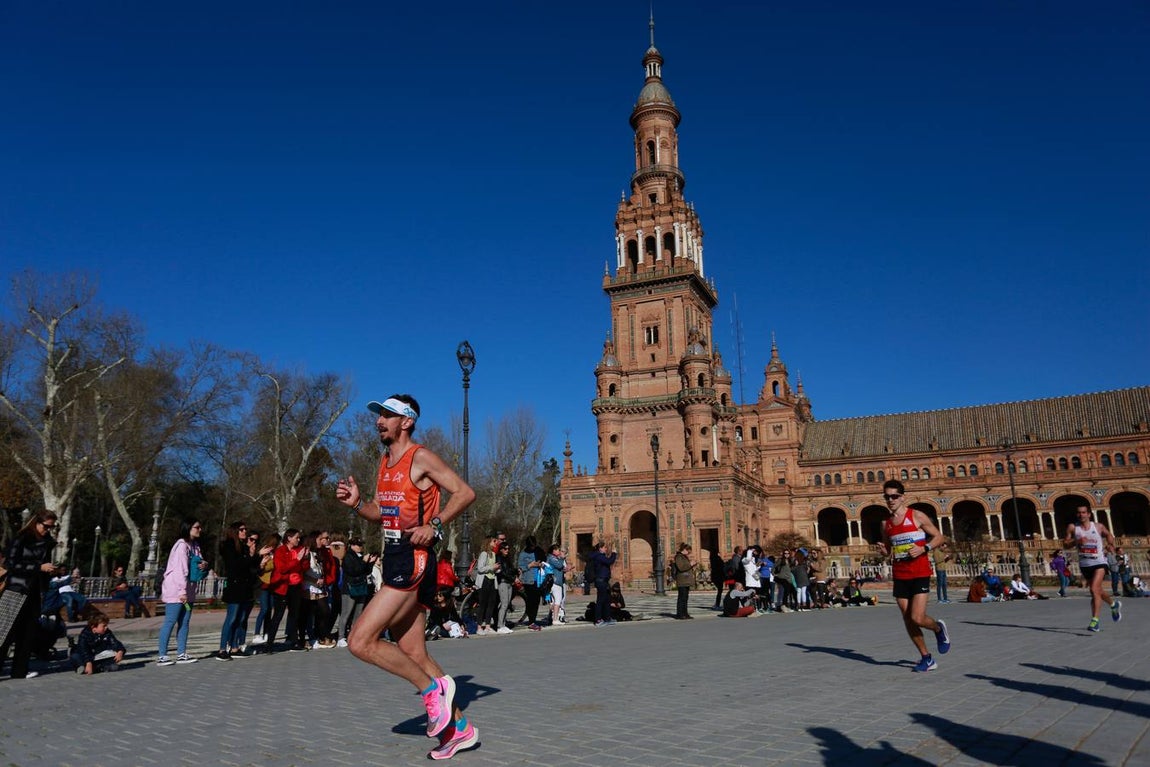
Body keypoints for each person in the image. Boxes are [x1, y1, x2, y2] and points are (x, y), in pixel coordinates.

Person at [335, 394, 479, 760]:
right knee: (413, 650)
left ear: (407, 421)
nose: (379, 421)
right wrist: (356, 503)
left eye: (388, 415)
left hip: (413, 559)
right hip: (393, 552)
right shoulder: (385, 462)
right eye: (378, 415)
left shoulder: (421, 457)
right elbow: (381, 516)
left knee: (360, 641)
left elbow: (465, 493)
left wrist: (435, 525)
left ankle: (431, 691)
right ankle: (459, 729)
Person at [875, 480, 950, 672]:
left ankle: (938, 629)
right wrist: (883, 551)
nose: (890, 500)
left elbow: (939, 537)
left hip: (920, 572)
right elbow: (889, 550)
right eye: (886, 497)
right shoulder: (886, 524)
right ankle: (927, 658)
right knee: (907, 619)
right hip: (900, 574)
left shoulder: (916, 516)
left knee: (917, 618)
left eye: (894, 496)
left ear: (902, 497)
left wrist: (923, 548)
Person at [0, 510, 58, 680]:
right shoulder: (22, 538)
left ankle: (19, 671)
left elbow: (43, 566)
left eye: (51, 527)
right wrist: (38, 567)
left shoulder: (47, 543)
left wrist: (52, 571)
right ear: (37, 522)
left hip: (34, 591)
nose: (48, 530)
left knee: (27, 633)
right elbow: (11, 563)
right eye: (46, 526)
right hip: (16, 589)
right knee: (5, 631)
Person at [156, 517, 206, 666]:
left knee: (185, 621)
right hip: (176, 592)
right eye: (197, 527)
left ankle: (181, 653)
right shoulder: (181, 546)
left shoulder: (195, 546)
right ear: (188, 528)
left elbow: (197, 562)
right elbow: (180, 570)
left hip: (189, 591)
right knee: (170, 621)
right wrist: (181, 591)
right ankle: (162, 655)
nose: (199, 530)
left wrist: (204, 565)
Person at [1064, 504, 1121, 632]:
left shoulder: (1098, 526)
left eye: (1084, 512)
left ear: (1089, 514)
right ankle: (1113, 604)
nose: (1081, 515)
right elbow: (1065, 544)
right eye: (1079, 513)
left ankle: (1095, 621)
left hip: (1099, 561)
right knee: (1097, 591)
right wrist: (1076, 541)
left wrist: (1111, 544)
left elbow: (1108, 534)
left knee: (1094, 589)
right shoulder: (1073, 528)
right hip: (1085, 564)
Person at [216, 521, 258, 661]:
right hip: (234, 586)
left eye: (246, 529)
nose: (245, 532)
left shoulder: (243, 546)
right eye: (241, 529)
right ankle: (222, 648)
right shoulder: (229, 546)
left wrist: (253, 554)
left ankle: (234, 647)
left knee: (240, 618)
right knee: (232, 618)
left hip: (244, 586)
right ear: (235, 531)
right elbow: (236, 565)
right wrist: (248, 555)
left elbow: (250, 566)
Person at [338, 537, 376, 647]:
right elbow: (353, 571)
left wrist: (370, 563)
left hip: (361, 587)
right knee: (346, 613)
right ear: (352, 545)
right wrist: (364, 562)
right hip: (350, 588)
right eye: (358, 545)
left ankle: (354, 635)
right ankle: (341, 636)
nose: (360, 547)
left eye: (361, 545)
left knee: (358, 614)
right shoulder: (348, 557)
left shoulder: (360, 556)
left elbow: (366, 571)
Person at [473, 532, 503, 636]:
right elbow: (480, 569)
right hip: (484, 581)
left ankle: (488, 626)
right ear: (488, 542)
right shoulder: (484, 554)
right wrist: (492, 567)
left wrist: (497, 569)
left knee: (491, 603)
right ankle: (479, 626)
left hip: (492, 580)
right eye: (494, 541)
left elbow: (493, 568)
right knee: (483, 604)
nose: (496, 543)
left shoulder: (493, 554)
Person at [516, 535, 546, 630]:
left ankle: (533, 619)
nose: (533, 548)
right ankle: (531, 621)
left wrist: (541, 564)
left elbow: (545, 560)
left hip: (538, 579)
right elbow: (520, 568)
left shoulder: (538, 550)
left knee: (536, 601)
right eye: (531, 546)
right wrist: (530, 565)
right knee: (530, 601)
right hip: (528, 580)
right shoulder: (523, 554)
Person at [588, 540, 618, 626]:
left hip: (604, 581)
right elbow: (609, 561)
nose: (606, 549)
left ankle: (607, 618)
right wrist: (614, 553)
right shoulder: (598, 556)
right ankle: (598, 620)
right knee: (600, 601)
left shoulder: (601, 556)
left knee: (607, 600)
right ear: (600, 548)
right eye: (605, 547)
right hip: (600, 580)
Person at [492, 540, 518, 634]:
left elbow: (510, 569)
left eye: (508, 549)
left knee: (506, 604)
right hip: (503, 582)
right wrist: (512, 578)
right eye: (505, 549)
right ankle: (499, 626)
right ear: (501, 549)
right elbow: (502, 572)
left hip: (509, 582)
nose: (507, 550)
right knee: (504, 604)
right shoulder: (499, 558)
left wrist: (516, 571)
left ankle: (503, 624)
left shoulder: (507, 558)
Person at [545, 544, 574, 625]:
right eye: (558, 550)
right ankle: (555, 619)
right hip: (555, 582)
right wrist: (562, 558)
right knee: (557, 601)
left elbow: (561, 567)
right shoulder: (551, 558)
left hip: (557, 582)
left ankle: (552, 618)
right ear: (553, 551)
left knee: (554, 601)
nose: (559, 552)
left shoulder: (553, 558)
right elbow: (559, 565)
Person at [673, 542, 696, 619]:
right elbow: (681, 567)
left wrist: (692, 565)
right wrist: (690, 564)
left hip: (686, 580)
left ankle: (685, 613)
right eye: (688, 551)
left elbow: (686, 567)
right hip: (682, 580)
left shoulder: (684, 557)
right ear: (684, 549)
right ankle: (680, 614)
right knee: (682, 598)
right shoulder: (679, 557)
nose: (689, 553)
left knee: (685, 598)